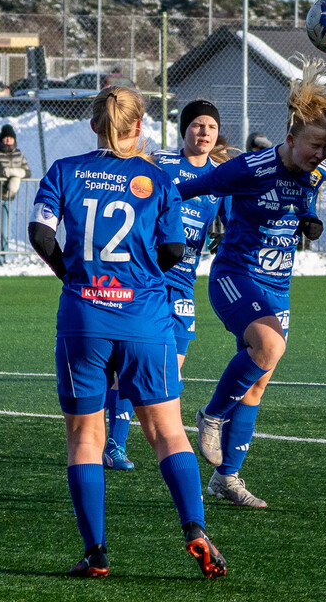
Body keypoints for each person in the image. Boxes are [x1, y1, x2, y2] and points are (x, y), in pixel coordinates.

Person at [27, 86, 227, 579]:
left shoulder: (64, 171)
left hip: (84, 317)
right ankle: (195, 527)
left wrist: (72, 275)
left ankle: (95, 553)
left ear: (94, 125)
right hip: (145, 316)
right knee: (167, 431)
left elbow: (40, 233)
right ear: (139, 127)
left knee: (85, 436)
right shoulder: (157, 178)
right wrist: (140, 279)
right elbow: (174, 250)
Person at [176, 70, 326, 508]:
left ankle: (226, 478)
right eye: (314, 146)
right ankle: (211, 415)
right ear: (290, 139)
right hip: (236, 276)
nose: (320, 155)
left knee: (258, 382)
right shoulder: (252, 168)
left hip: (277, 287)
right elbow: (192, 188)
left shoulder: (315, 171)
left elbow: (308, 196)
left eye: (325, 148)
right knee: (269, 346)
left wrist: (309, 217)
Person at [102, 100, 226, 471]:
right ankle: (114, 445)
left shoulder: (220, 178)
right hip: (148, 277)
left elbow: (233, 222)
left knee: (170, 369)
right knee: (134, 363)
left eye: (211, 127)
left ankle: (156, 439)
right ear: (184, 129)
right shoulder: (161, 163)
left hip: (183, 284)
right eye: (197, 125)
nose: (204, 132)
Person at [0, 124, 31, 267]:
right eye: (5, 138)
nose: (8, 140)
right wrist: (4, 173)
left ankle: (1, 257)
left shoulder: (19, 154)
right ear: (1, 139)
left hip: (7, 197)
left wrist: (17, 173)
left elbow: (28, 172)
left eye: (10, 138)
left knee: (4, 231)